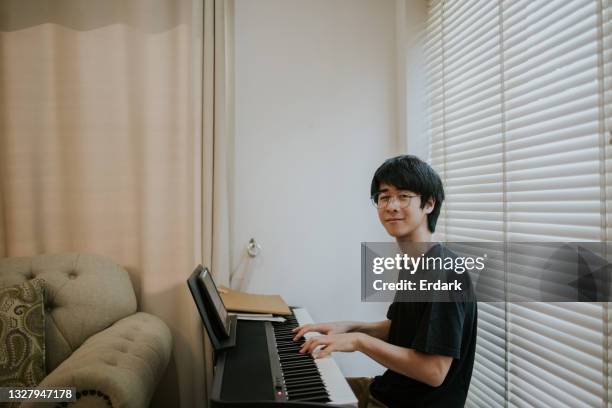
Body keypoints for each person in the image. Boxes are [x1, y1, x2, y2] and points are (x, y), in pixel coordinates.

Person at [292, 155, 477, 408]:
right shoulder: (414, 262)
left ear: (429, 204)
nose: (391, 205)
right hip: (387, 390)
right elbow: (404, 329)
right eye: (384, 196)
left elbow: (434, 371)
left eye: (403, 196)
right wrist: (351, 327)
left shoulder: (446, 273)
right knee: (295, 390)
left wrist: (359, 342)